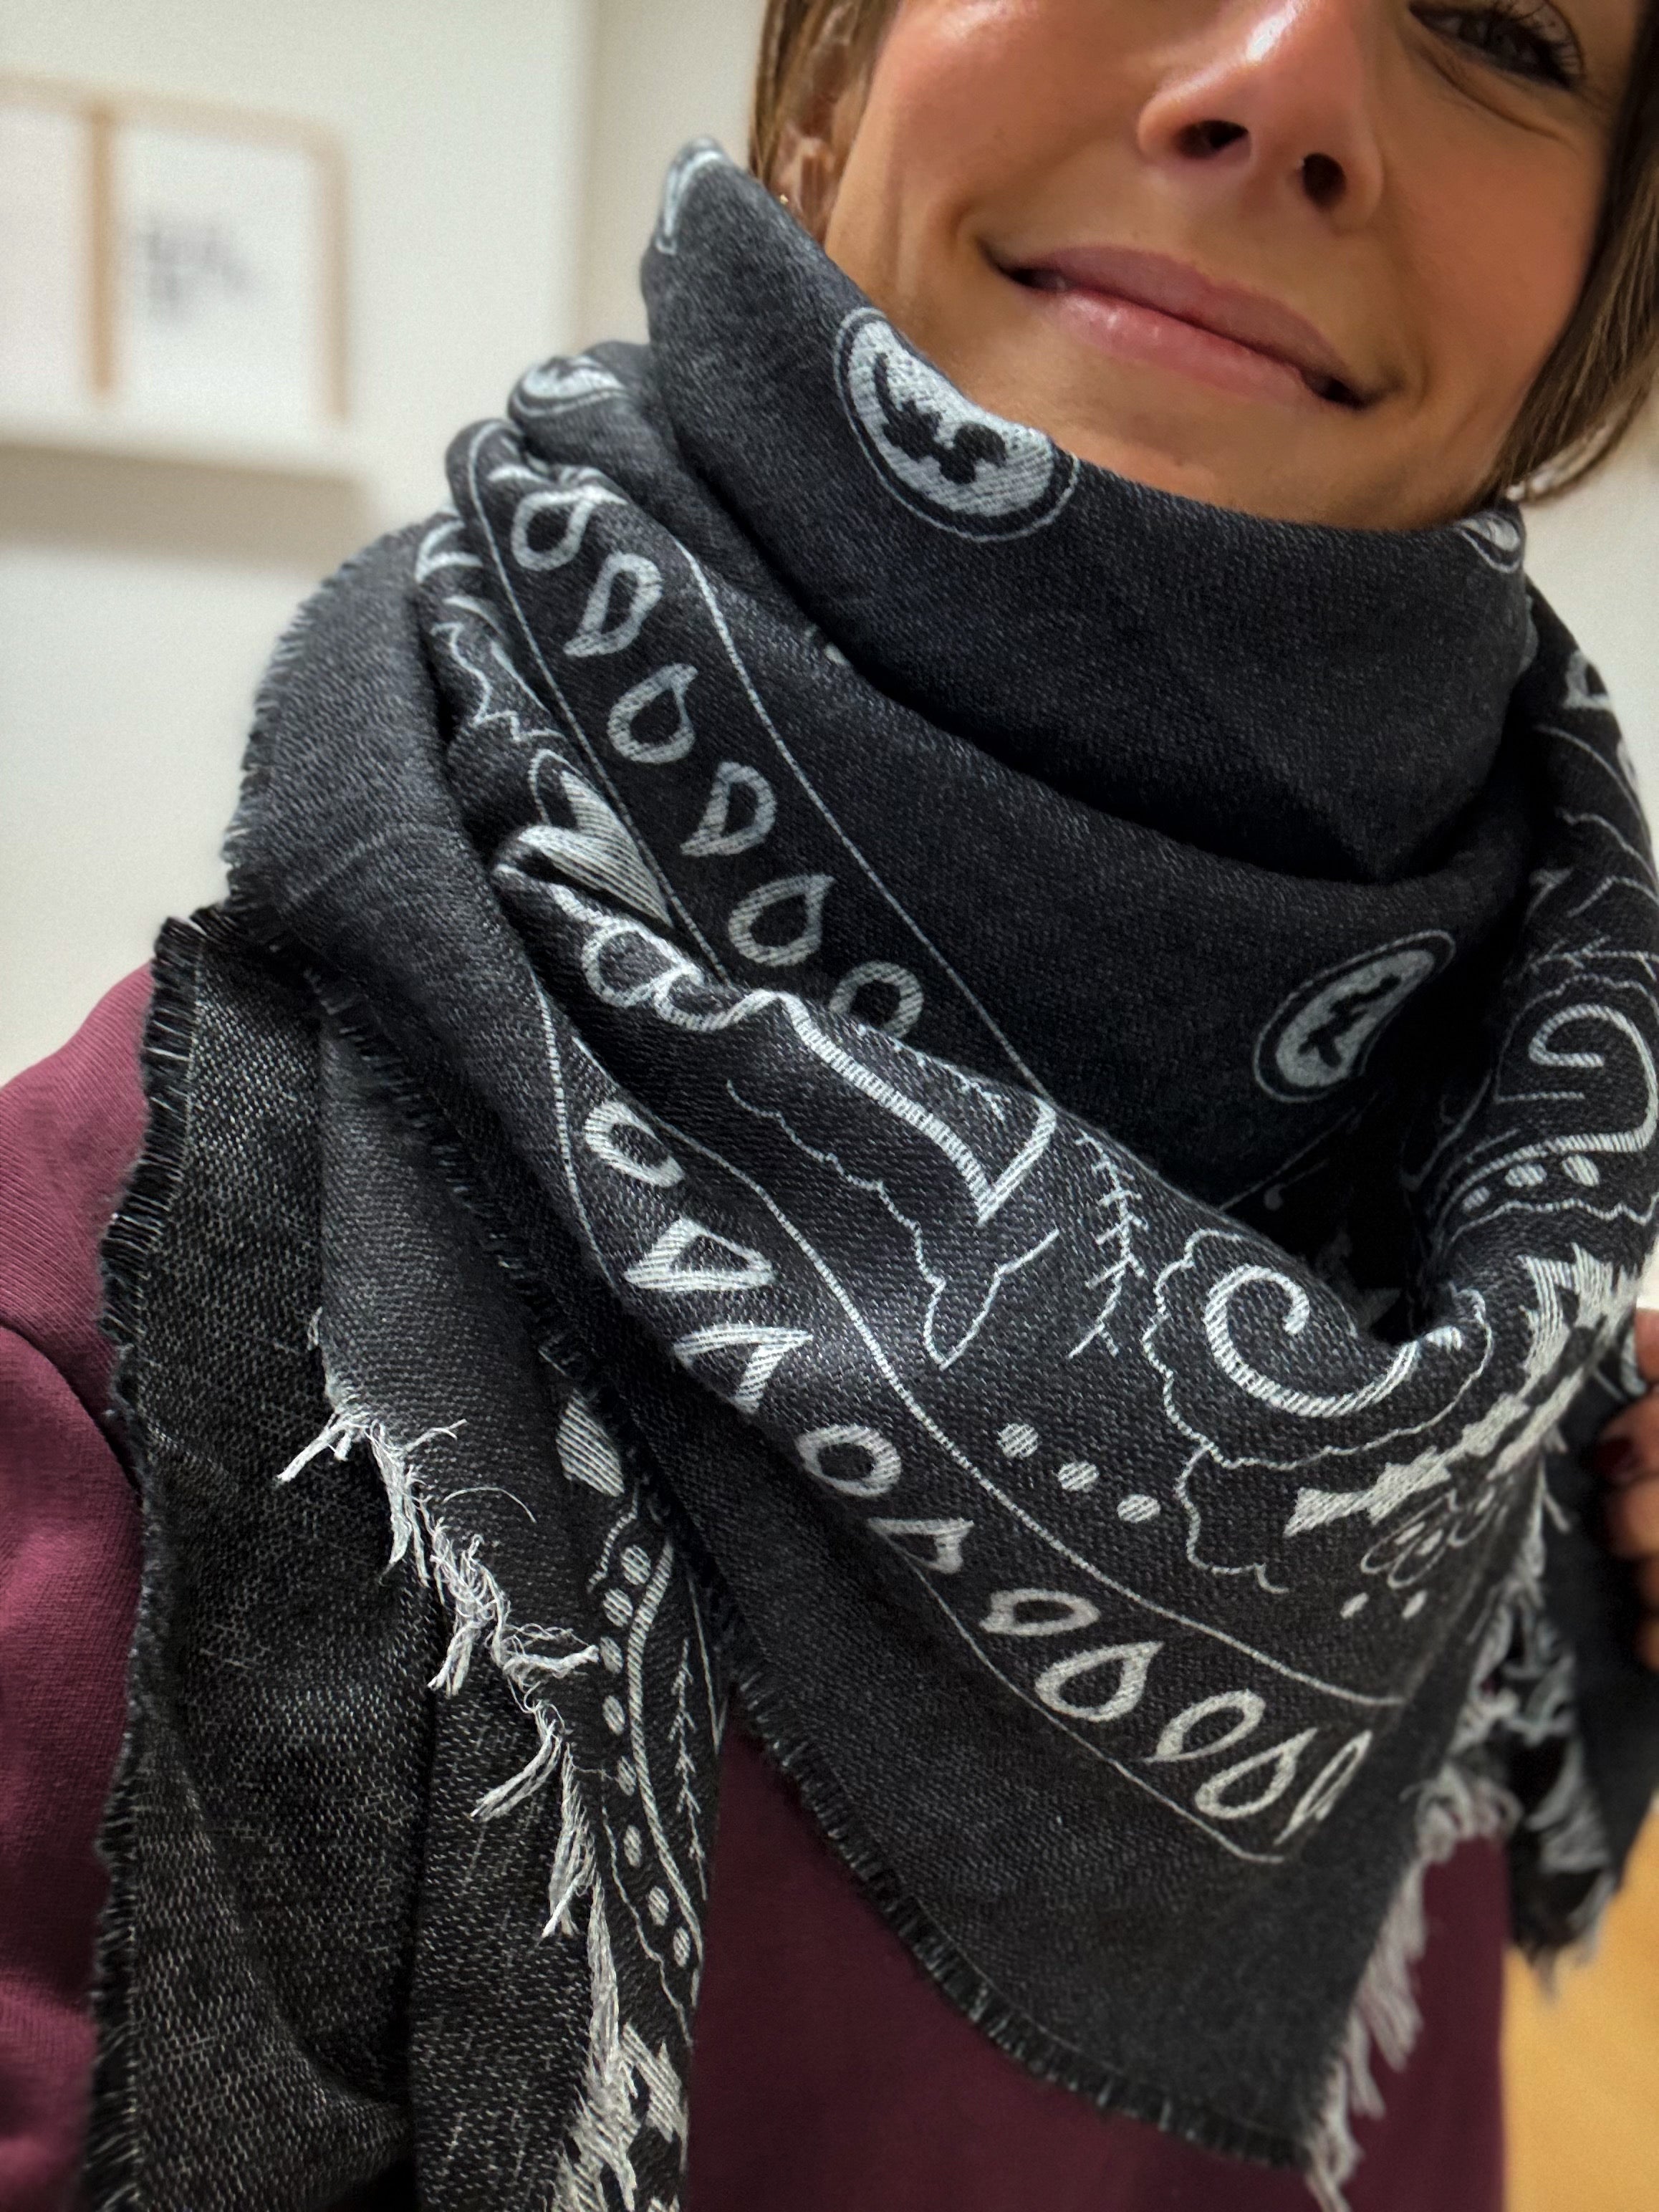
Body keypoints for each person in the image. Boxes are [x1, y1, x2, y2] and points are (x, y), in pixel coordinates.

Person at [5, 4, 1659, 2209]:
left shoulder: (1507, 1262)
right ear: (823, 80)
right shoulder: (113, 1342)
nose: (1282, 86)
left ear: (1591, 297)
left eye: (1501, 27)